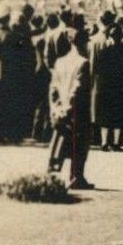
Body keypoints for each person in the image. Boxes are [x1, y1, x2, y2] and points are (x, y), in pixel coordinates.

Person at [47, 27, 95, 190]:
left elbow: (53, 88)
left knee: (59, 142)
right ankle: (76, 176)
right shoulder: (83, 63)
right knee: (80, 145)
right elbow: (78, 89)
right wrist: (69, 108)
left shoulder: (60, 62)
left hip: (61, 110)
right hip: (77, 111)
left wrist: (57, 108)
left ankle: (53, 174)